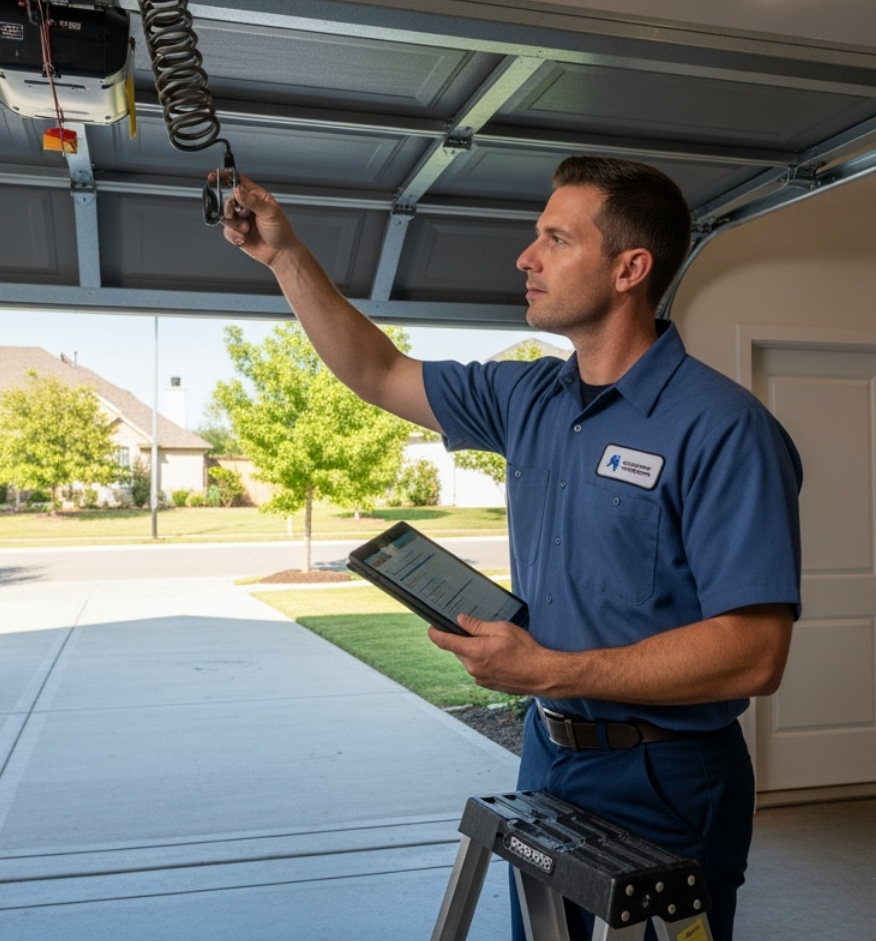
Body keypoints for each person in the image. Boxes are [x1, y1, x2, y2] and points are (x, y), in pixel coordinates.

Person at [218, 156, 801, 941]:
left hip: (669, 772)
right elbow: (379, 370)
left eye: (555, 240)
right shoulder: (526, 396)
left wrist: (550, 668)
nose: (526, 258)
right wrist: (285, 254)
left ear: (630, 267)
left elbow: (754, 654)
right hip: (550, 753)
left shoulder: (724, 429)